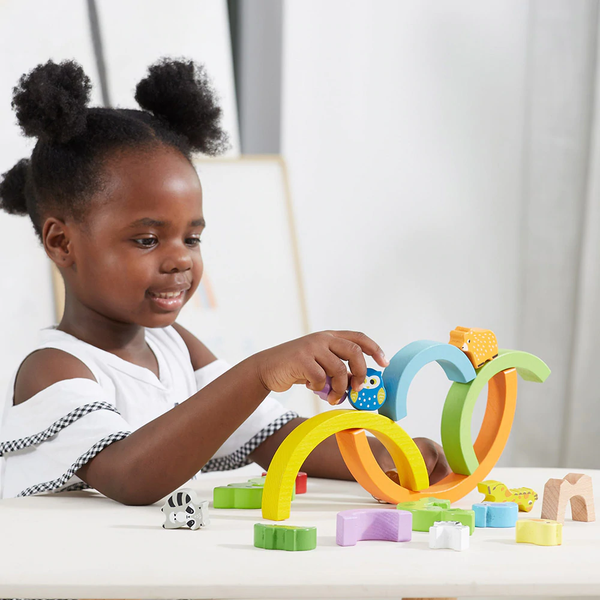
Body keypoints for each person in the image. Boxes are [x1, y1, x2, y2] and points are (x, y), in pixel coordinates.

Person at [0, 59, 450, 504]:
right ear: (62, 242)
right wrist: (259, 371)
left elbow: (278, 438)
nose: (179, 259)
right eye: (146, 239)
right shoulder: (53, 367)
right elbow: (128, 476)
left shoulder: (176, 346)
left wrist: (388, 453)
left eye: (191, 237)